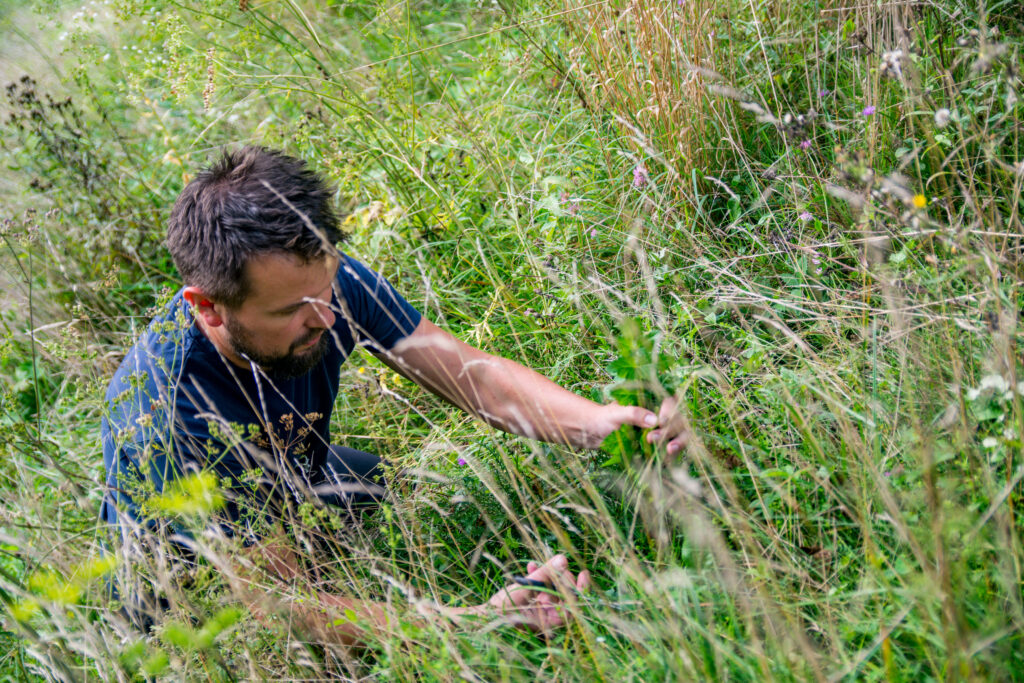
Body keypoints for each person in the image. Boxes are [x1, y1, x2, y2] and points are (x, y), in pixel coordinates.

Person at [100, 146, 686, 644]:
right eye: (291, 311)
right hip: (186, 599)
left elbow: (474, 376)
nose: (327, 318)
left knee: (401, 493)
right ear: (207, 306)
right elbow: (277, 601)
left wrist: (597, 421)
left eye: (327, 289)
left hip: (297, 479)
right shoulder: (171, 414)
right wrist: (471, 624)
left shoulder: (315, 286)